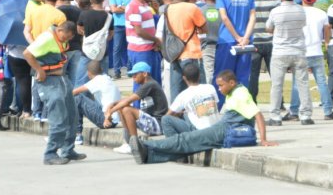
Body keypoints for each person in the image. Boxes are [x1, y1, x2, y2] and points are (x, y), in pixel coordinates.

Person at [128, 70, 277, 165]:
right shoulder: (234, 91)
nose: (219, 89)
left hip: (225, 130)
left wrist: (263, 139)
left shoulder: (240, 94)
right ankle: (148, 157)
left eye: (221, 85)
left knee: (185, 139)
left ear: (232, 83)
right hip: (222, 128)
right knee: (190, 143)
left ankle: (146, 146)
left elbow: (258, 114)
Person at [23, 21, 86, 165]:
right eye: (66, 37)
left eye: (70, 38)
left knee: (72, 115)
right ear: (60, 30)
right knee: (58, 117)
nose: (67, 40)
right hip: (49, 82)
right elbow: (27, 53)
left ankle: (68, 150)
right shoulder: (47, 38)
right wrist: (39, 70)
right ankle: (50, 154)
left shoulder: (59, 38)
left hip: (62, 79)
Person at [265, 0, 314, 126]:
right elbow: (302, 25)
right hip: (298, 50)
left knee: (277, 85)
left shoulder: (275, 11)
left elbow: (269, 28)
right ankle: (305, 115)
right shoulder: (301, 10)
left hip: (280, 52)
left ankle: (275, 116)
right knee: (303, 83)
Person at [288, 0, 333, 120]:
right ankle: (328, 111)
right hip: (316, 51)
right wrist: (327, 43)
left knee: (297, 83)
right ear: (315, 0)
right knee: (321, 82)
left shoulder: (297, 12)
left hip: (300, 52)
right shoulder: (321, 13)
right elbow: (327, 30)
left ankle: (294, 112)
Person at [213, 0, 256, 106]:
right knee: (242, 77)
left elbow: (224, 17)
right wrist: (245, 38)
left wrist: (237, 37)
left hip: (227, 41)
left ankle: (219, 108)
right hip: (246, 43)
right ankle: (241, 108)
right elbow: (252, 17)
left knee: (222, 77)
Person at [157, 0, 207, 102]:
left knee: (177, 92)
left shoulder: (166, 9)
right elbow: (204, 28)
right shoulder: (191, 7)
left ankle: (177, 113)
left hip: (175, 54)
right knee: (199, 90)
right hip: (191, 53)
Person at [75, 0, 114, 143]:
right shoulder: (108, 16)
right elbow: (110, 35)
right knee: (102, 85)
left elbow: (79, 30)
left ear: (91, 1)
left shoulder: (84, 14)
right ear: (103, 1)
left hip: (86, 53)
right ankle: (103, 114)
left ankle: (79, 122)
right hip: (102, 54)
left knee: (80, 85)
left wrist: (89, 37)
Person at [105, 62, 168, 155]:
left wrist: (109, 113)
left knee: (126, 109)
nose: (133, 77)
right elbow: (125, 100)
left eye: (135, 74)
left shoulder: (150, 84)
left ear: (144, 74)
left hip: (158, 124)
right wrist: (112, 105)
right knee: (121, 108)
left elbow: (127, 101)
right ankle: (128, 143)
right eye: (132, 75)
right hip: (150, 123)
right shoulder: (145, 85)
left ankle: (135, 145)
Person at [161, 63, 220, 136]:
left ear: (184, 78)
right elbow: (216, 106)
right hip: (216, 130)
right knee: (186, 112)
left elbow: (168, 114)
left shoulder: (184, 95)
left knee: (165, 119)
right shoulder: (210, 87)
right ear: (199, 76)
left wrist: (178, 114)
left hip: (199, 133)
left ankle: (174, 141)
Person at [125, 0, 162, 92]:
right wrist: (156, 40)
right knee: (141, 84)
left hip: (150, 49)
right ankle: (137, 103)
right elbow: (139, 31)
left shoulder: (145, 5)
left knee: (154, 83)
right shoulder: (134, 6)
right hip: (141, 51)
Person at [249, 0, 281, 102]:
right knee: (274, 74)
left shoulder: (250, 3)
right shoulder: (274, 4)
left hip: (255, 42)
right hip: (270, 42)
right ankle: (279, 101)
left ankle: (253, 101)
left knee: (253, 74)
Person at [72, 60, 121, 131]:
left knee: (77, 98)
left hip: (107, 120)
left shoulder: (97, 80)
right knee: (86, 99)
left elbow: (74, 92)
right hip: (113, 118)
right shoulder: (106, 78)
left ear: (88, 73)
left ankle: (78, 132)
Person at [109, 0, 133, 79]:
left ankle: (130, 70)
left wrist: (121, 7)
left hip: (129, 25)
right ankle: (117, 72)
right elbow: (114, 10)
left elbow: (132, 10)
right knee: (116, 49)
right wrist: (125, 8)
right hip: (117, 25)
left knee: (131, 48)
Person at [200, 0, 220, 85]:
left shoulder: (200, 11)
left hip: (206, 46)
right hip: (221, 45)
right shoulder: (222, 11)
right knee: (221, 73)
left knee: (209, 74)